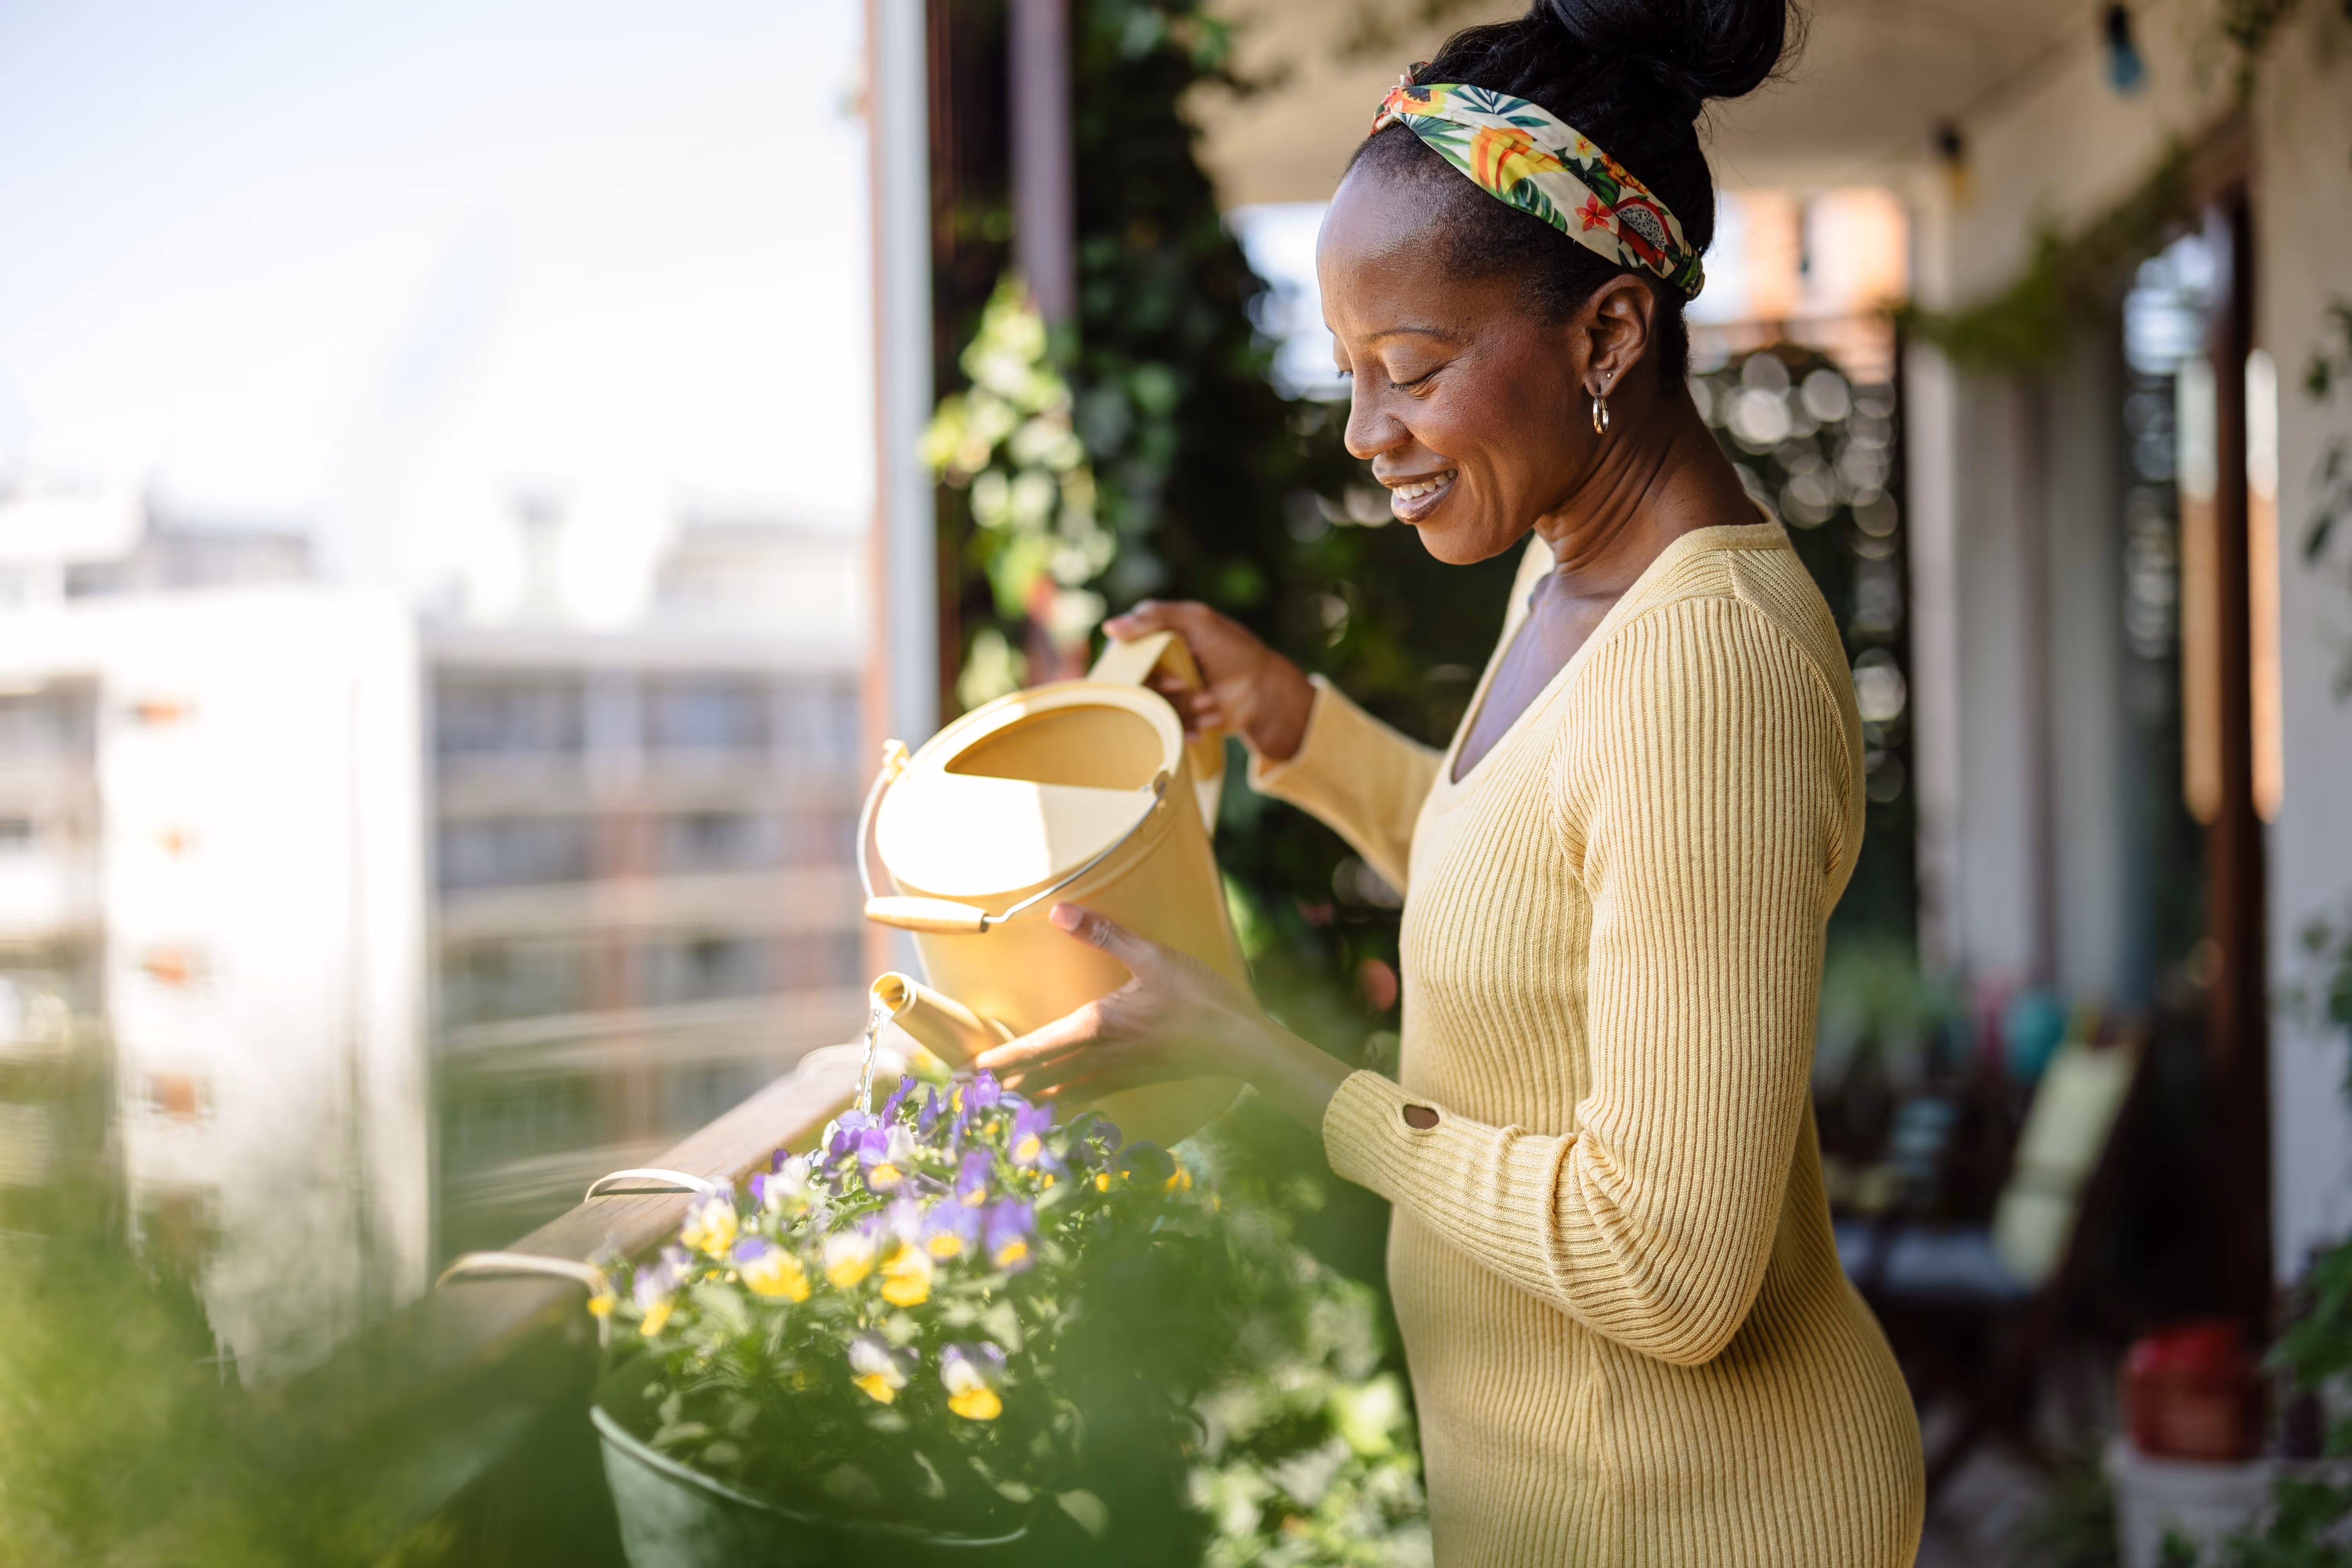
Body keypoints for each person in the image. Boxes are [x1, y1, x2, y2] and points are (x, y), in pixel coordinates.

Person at [975, 1, 1926, 1561]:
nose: (1367, 434)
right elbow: (1537, 899)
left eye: (1408, 368)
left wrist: (1285, 1073)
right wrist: (1295, 723)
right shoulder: (1573, 568)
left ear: (1605, 336)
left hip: (1704, 1516)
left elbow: (1671, 1268)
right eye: (1349, 372)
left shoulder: (1707, 666)